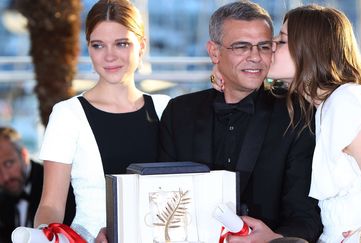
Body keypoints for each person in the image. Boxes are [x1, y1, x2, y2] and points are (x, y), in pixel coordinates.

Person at [158, 1, 322, 243]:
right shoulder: (179, 112)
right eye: (241, 47)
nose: (255, 57)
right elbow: (160, 195)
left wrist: (275, 239)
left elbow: (306, 216)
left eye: (264, 47)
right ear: (214, 52)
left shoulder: (296, 115)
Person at [266, 4, 361, 242]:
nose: (271, 45)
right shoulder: (327, 105)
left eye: (282, 40)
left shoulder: (346, 101)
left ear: (310, 49)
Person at [33, 0, 168, 241]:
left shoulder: (166, 108)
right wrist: (47, 235)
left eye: (122, 43)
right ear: (88, 48)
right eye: (98, 45)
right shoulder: (67, 115)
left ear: (142, 46)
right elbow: (51, 205)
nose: (109, 56)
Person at [0, 126, 75, 242]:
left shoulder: (54, 182)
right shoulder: (3, 196)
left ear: (24, 155)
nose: (5, 177)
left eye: (9, 163)